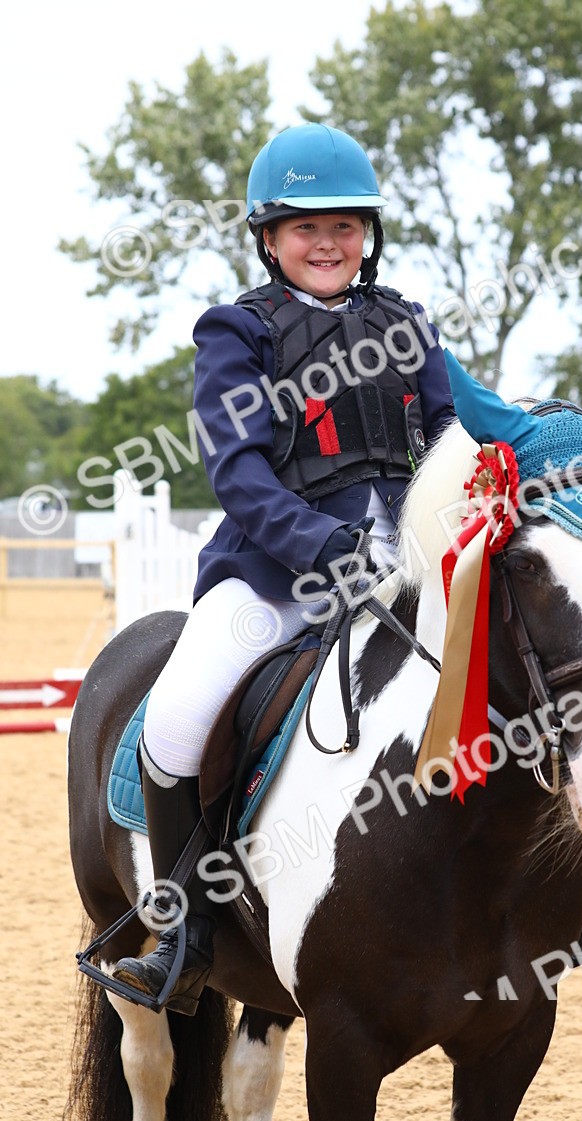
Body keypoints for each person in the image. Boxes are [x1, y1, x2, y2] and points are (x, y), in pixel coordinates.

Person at [110, 123, 456, 1014]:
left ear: (367, 236)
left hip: (412, 570)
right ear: (269, 238)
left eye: (345, 226)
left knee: (513, 667)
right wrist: (322, 546)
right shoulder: (237, 332)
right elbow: (239, 473)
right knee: (178, 716)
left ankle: (543, 896)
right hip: (278, 574)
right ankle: (184, 930)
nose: (328, 244)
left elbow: (456, 435)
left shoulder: (409, 325)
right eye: (307, 228)